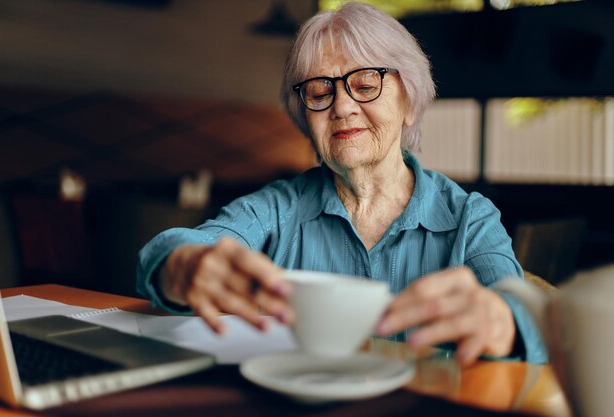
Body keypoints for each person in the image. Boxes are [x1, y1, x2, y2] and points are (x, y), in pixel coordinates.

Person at [137, 2, 547, 366]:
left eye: (366, 85)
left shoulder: (469, 218)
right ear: (305, 117)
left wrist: (503, 321)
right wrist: (183, 265)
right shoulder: (278, 208)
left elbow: (526, 316)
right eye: (319, 92)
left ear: (408, 100)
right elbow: (182, 246)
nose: (343, 106)